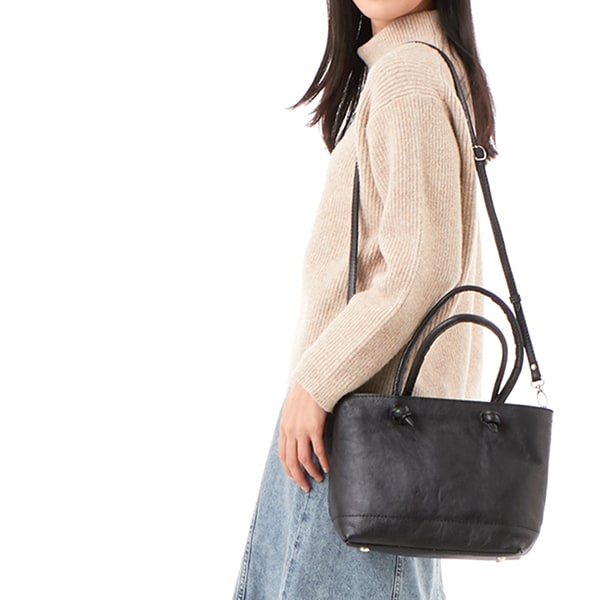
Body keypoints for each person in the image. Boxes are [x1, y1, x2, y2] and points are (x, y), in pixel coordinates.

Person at [233, 1, 497, 598]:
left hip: (356, 441)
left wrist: (315, 382)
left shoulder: (408, 75)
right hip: (381, 445)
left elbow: (418, 271)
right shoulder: (424, 66)